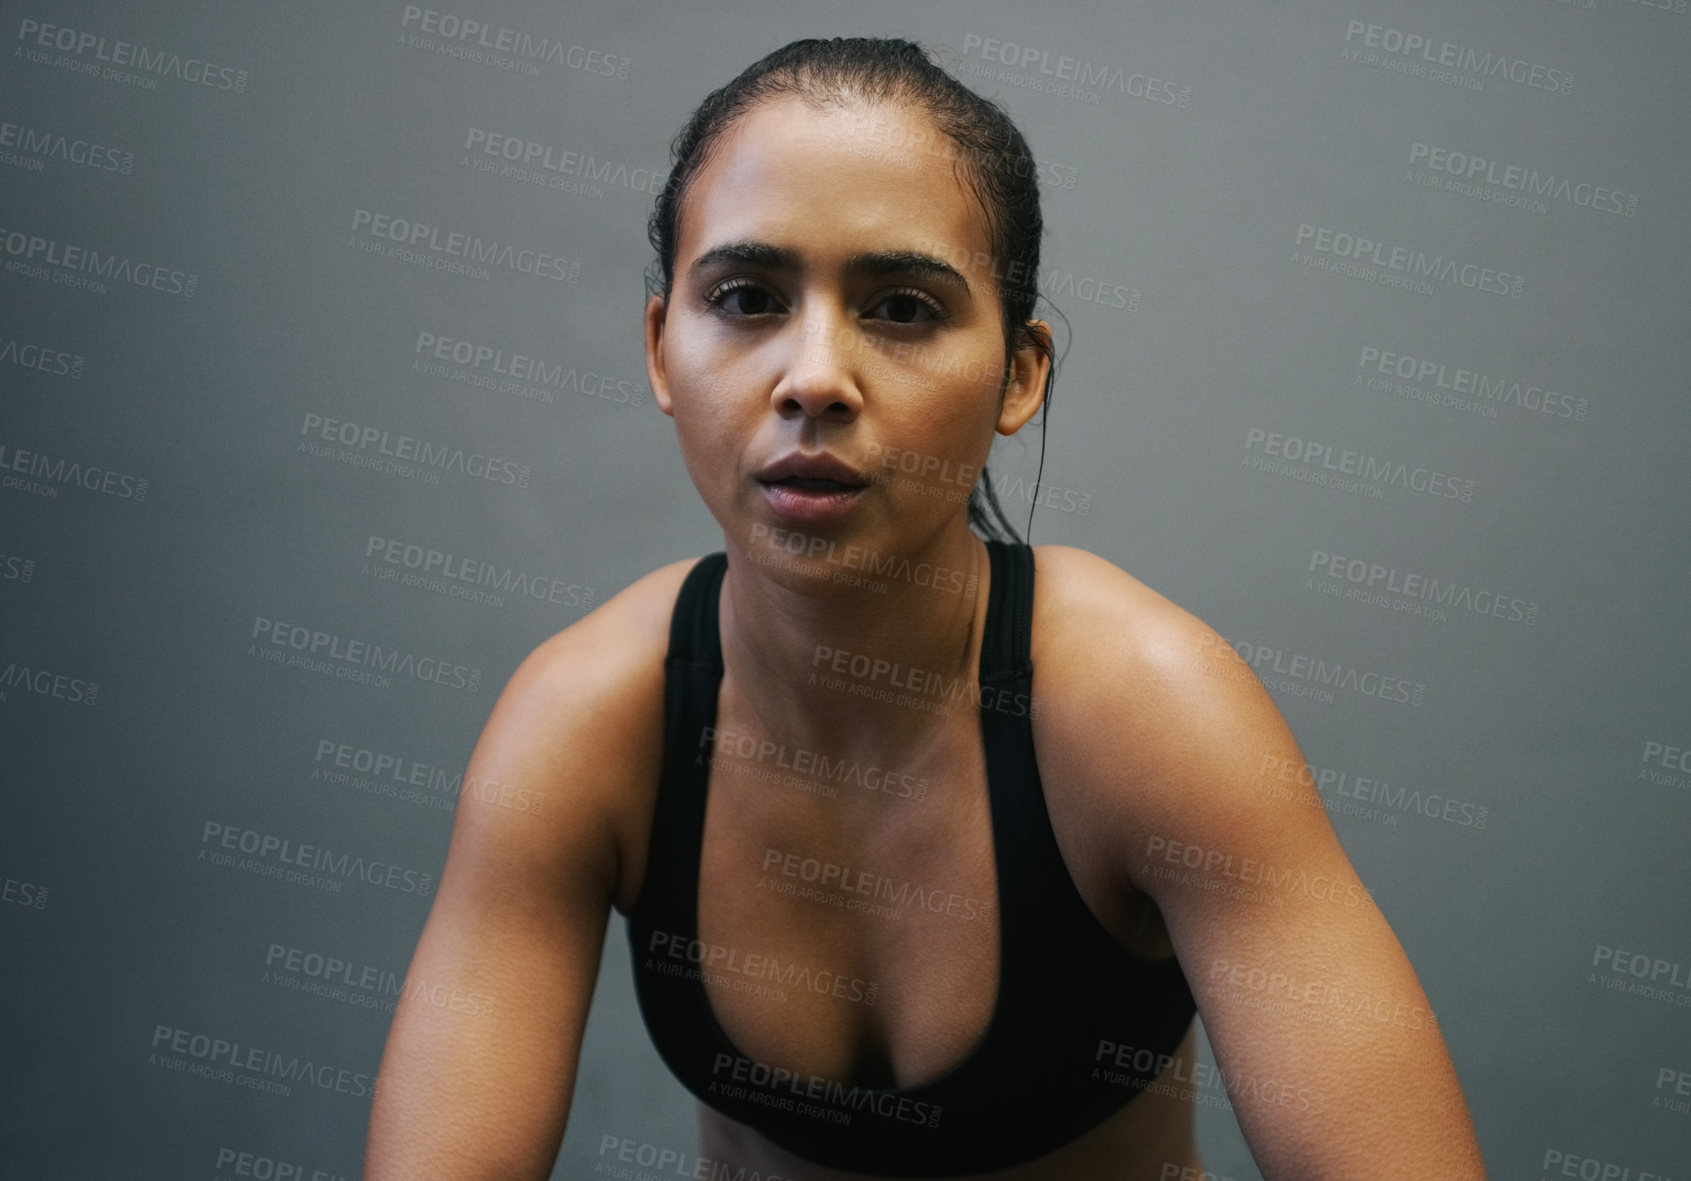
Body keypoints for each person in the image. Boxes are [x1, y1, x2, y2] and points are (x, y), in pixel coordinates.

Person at [365, 37, 1487, 1180]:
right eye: (746, 298)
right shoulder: (587, 723)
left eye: (901, 307)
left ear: (1019, 372)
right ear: (661, 347)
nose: (813, 378)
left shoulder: (1149, 711)